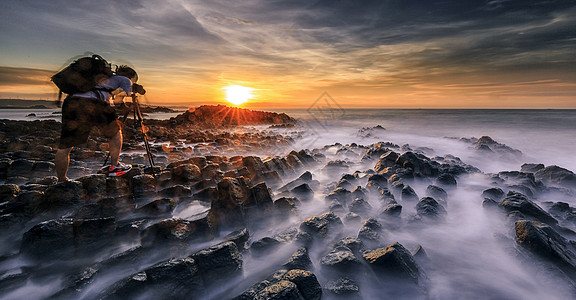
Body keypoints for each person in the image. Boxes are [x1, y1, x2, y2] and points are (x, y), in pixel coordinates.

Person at [54, 65, 138, 182]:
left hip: (72, 103)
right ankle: (115, 166)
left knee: (65, 145)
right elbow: (119, 100)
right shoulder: (125, 80)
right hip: (95, 103)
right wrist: (126, 106)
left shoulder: (98, 78)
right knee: (115, 133)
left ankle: (61, 180)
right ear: (131, 76)